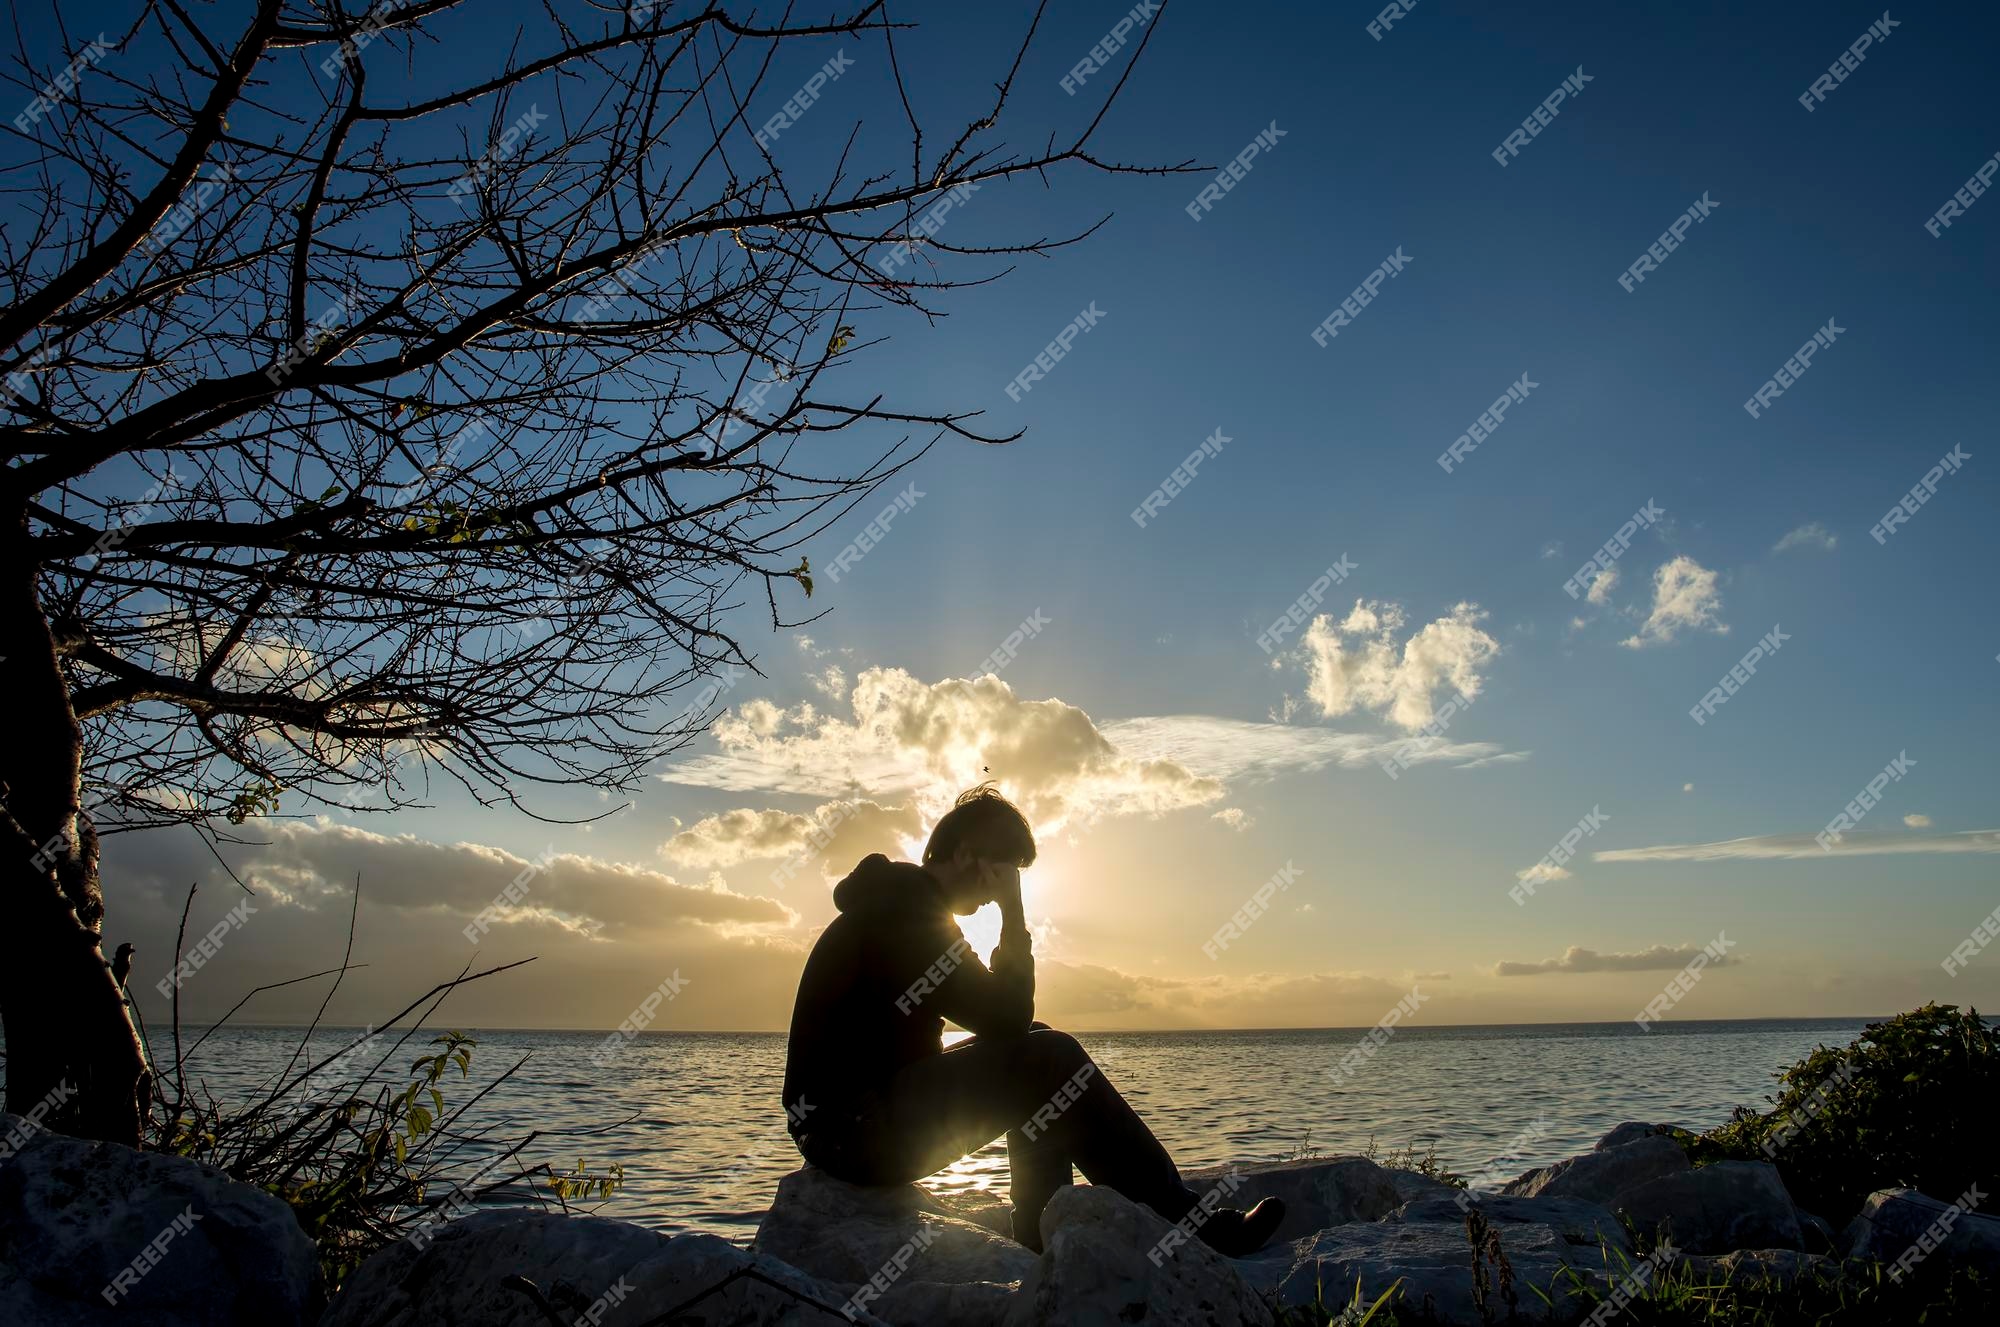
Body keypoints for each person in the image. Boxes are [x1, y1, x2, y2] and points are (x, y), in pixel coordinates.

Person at [781, 783, 1284, 1255]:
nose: (998, 890)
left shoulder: (904, 905)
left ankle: (1039, 1239)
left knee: (1040, 1048)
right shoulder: (908, 917)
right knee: (1048, 1057)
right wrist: (1014, 913)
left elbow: (1011, 1027)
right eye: (1004, 871)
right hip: (850, 1130)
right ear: (966, 855)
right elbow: (1005, 1018)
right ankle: (1189, 1224)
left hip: (849, 1122)